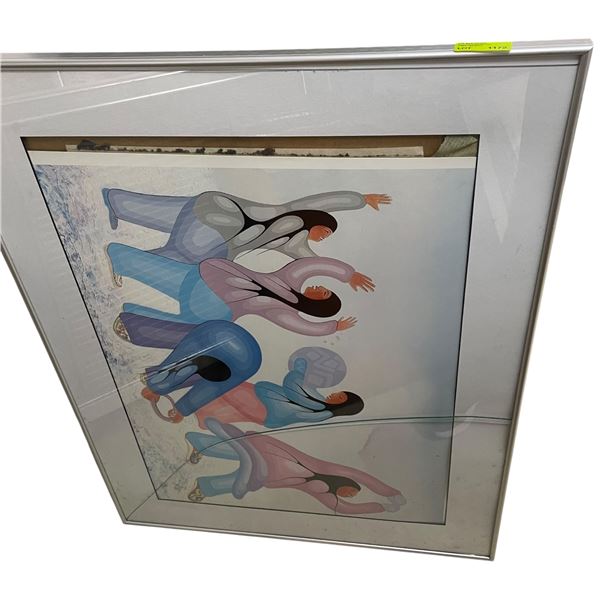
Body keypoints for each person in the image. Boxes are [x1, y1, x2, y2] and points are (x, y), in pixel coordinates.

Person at [107, 248, 374, 348]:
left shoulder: (288, 280)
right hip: (213, 306)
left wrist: (347, 274)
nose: (319, 287)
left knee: (175, 277)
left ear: (318, 302)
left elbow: (311, 266)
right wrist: (332, 327)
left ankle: (121, 258)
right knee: (194, 327)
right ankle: (133, 316)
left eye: (323, 292)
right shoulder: (284, 311)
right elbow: (304, 326)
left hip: (212, 278)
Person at [103, 188, 391, 264]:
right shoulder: (295, 215)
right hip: (220, 223)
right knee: (190, 255)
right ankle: (125, 260)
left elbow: (310, 262)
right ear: (316, 221)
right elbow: (324, 201)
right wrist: (361, 199)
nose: (324, 237)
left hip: (213, 207)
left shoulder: (292, 243)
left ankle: (117, 202)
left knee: (169, 214)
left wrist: (344, 274)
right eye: (325, 231)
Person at [185, 418, 406, 515]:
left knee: (246, 470)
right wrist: (392, 493)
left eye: (349, 495)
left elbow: (344, 508)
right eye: (351, 490)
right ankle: (201, 451)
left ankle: (204, 480)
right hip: (269, 451)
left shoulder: (324, 494)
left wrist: (381, 507)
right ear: (346, 482)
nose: (348, 494)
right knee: (245, 457)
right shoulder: (331, 469)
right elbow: (363, 477)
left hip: (266, 475)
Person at [188, 351, 363, 429]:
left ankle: (190, 378)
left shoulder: (320, 409)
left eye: (340, 396)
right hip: (266, 409)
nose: (335, 394)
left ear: (342, 403)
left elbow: (293, 387)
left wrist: (300, 368)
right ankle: (200, 413)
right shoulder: (321, 405)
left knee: (227, 385)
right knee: (228, 401)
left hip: (266, 406)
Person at [138, 320, 262, 417]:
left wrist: (154, 387)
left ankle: (156, 386)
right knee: (192, 370)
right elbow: (209, 390)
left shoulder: (240, 367)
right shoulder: (242, 369)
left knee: (184, 363)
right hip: (224, 345)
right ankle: (157, 386)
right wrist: (182, 410)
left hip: (217, 338)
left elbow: (177, 366)